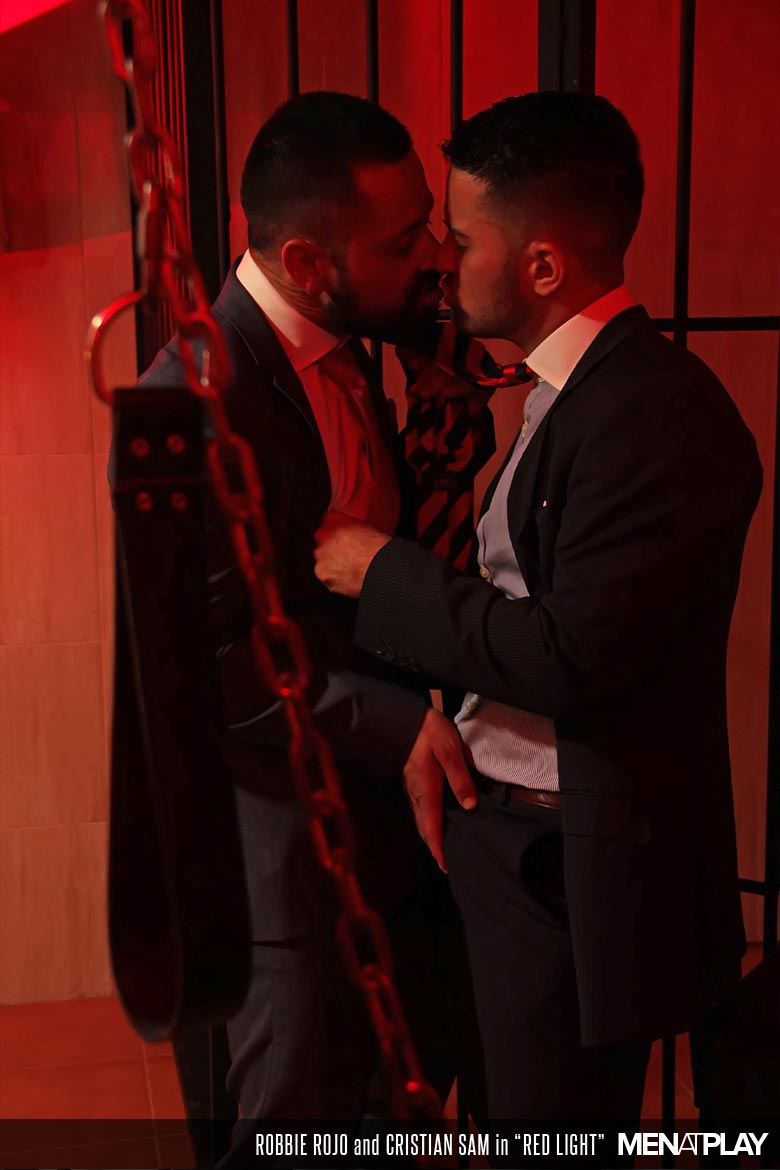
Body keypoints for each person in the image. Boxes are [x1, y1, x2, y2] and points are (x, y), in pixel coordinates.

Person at [314, 91, 763, 1126]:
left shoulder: (653, 414)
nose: (441, 259)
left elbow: (569, 656)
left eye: (462, 237)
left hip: (565, 873)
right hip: (507, 841)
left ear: (544, 266)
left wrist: (383, 572)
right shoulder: (571, 393)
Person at [138, 92, 485, 1160]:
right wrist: (395, 723)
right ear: (302, 261)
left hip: (391, 832)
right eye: (404, 242)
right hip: (279, 855)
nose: (435, 257)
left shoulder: (349, 343)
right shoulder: (191, 405)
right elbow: (210, 665)